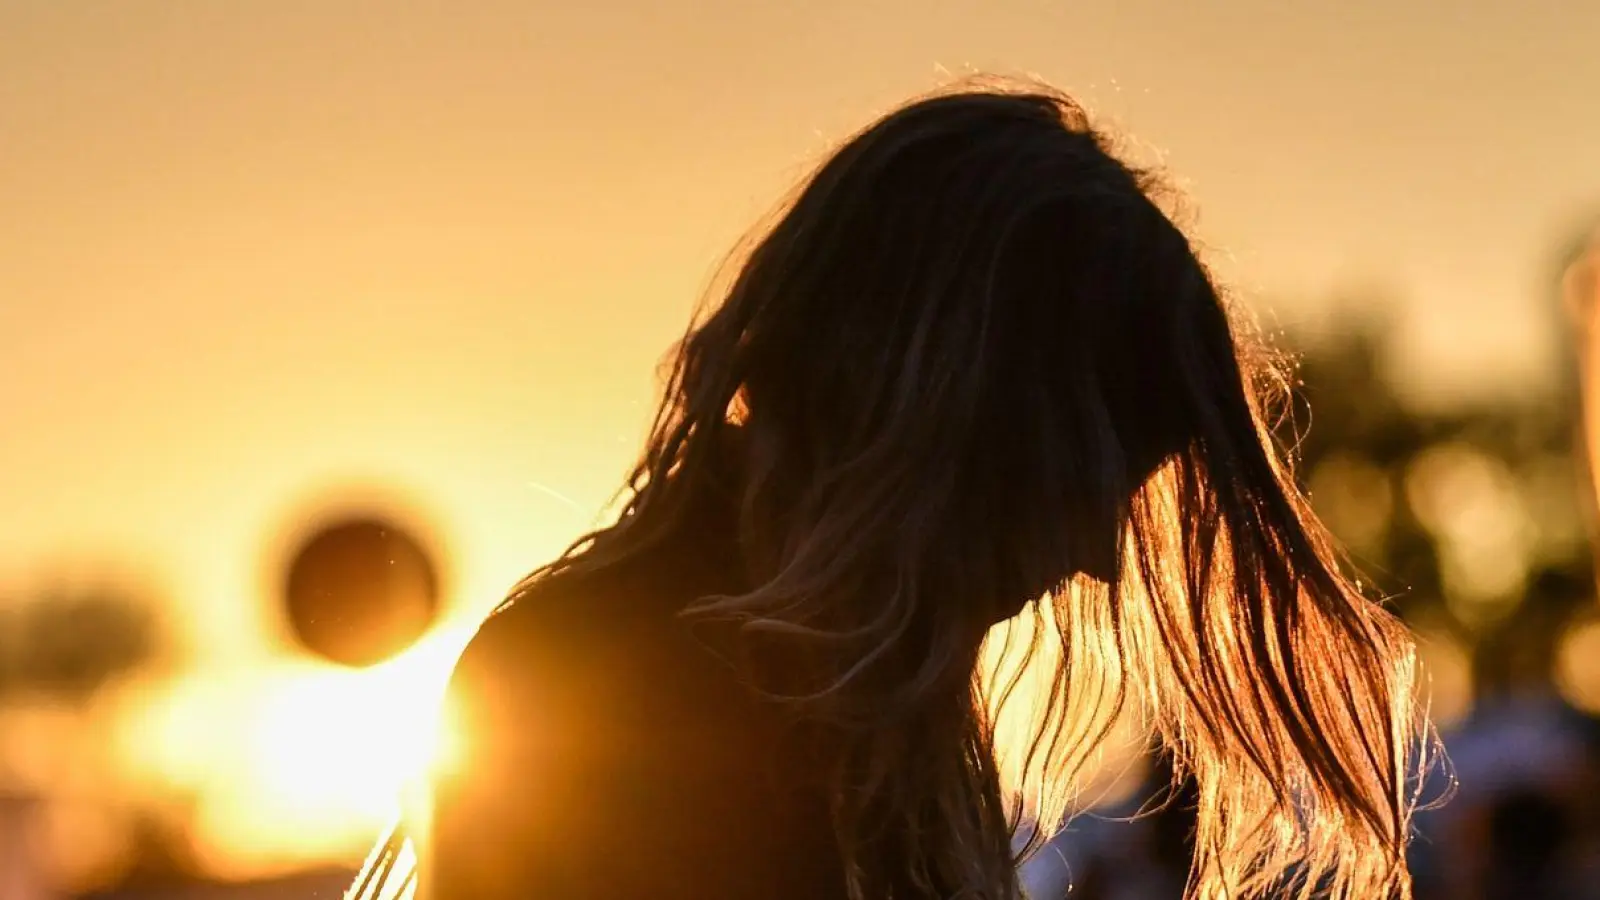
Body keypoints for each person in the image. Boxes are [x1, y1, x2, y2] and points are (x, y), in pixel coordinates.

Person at [349, 79, 1427, 900]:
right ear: (949, 422)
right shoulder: (622, 701)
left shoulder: (838, 721)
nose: (1097, 552)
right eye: (1083, 477)